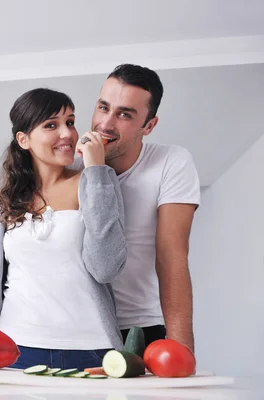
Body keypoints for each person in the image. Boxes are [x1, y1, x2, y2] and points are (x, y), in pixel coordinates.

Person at [0, 88, 128, 370]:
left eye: (70, 122)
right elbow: (3, 280)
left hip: (91, 348)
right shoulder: (6, 201)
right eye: (51, 125)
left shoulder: (96, 180)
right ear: (24, 139)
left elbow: (106, 267)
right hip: (13, 348)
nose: (67, 133)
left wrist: (95, 170)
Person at [81, 64, 200, 352]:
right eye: (103, 107)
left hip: (140, 326)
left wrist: (182, 351)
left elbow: (172, 255)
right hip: (80, 326)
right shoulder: (70, 162)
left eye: (124, 114)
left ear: (149, 125)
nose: (106, 124)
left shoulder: (172, 161)